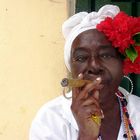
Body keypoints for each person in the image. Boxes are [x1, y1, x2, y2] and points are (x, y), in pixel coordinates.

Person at [29, 5, 140, 140]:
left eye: (106, 55)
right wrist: (86, 135)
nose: (94, 66)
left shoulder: (137, 111)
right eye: (81, 58)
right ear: (71, 68)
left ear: (123, 65)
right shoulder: (51, 119)